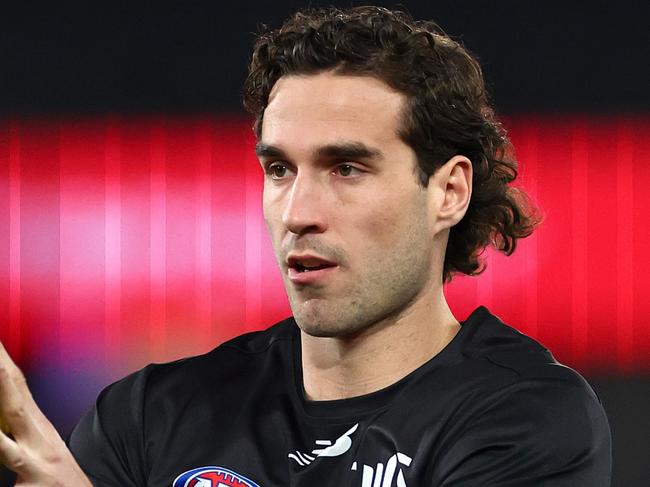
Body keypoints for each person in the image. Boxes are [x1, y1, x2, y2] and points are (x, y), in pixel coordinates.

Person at [0, 6, 611, 486]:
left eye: (346, 168)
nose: (298, 213)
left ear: (448, 191)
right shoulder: (147, 416)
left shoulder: (525, 417)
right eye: (279, 170)